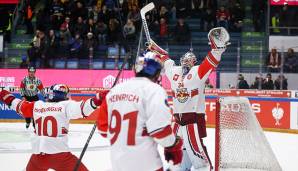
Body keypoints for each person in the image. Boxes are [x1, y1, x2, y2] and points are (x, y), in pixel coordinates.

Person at [148, 27, 230, 171]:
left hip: (193, 119)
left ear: (194, 62)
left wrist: (218, 49)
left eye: (189, 60)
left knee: (197, 150)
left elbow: (211, 61)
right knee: (177, 149)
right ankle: (178, 167)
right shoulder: (174, 72)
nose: (186, 62)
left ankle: (204, 168)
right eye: (184, 59)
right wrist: (154, 48)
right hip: (178, 121)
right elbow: (165, 58)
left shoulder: (197, 71)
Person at [96, 50, 183, 171]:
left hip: (118, 164)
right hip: (147, 164)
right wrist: (173, 146)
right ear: (157, 72)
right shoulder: (154, 90)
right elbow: (160, 130)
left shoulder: (114, 91)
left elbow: (102, 129)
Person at [0, 84, 106, 171]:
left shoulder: (37, 106)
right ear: (63, 96)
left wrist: (5, 95)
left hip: (38, 157)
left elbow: (17, 105)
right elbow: (83, 108)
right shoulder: (65, 106)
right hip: (60, 156)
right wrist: (98, 99)